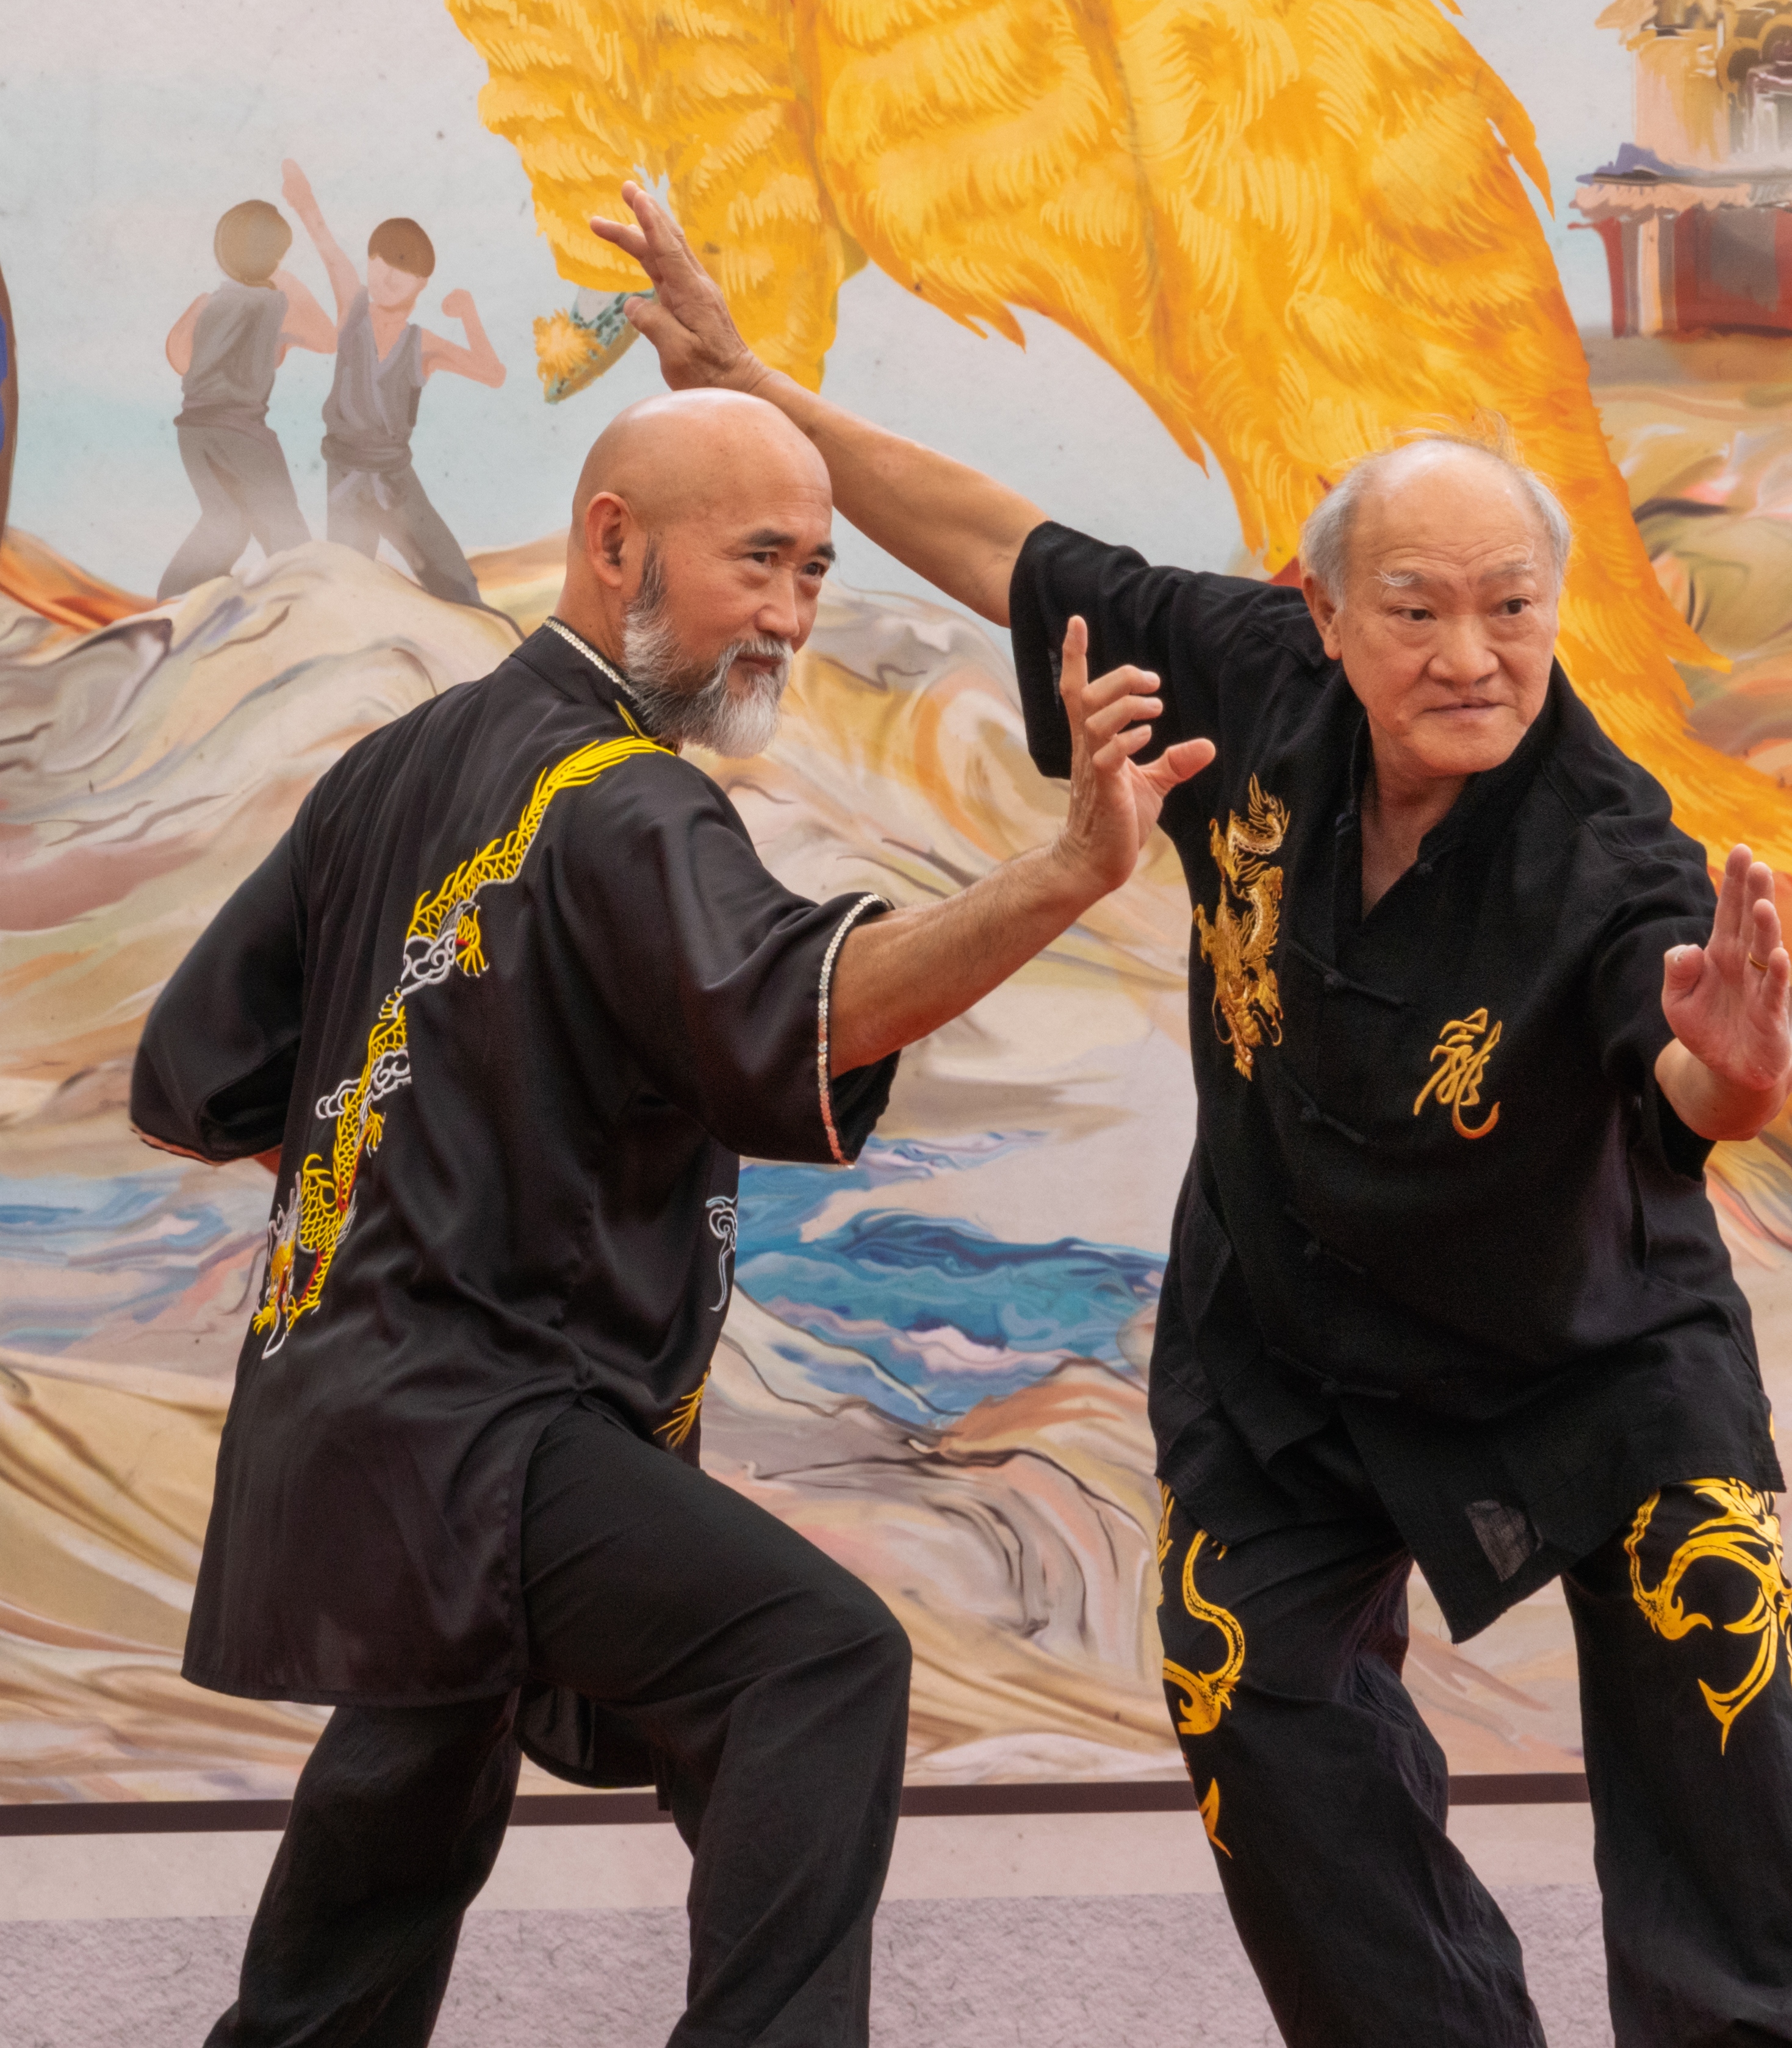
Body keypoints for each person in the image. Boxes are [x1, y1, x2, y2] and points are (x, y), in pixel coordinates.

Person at [594, 184, 1792, 2047]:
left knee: (1718, 1681)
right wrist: (769, 399)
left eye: (1512, 610)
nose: (1469, 656)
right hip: (1289, 1347)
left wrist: (1743, 1064)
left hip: (1585, 1355)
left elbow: (1688, 1073)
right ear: (1323, 611)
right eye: (1419, 609)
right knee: (1252, 1706)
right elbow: (996, 541)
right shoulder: (1252, 679)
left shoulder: (1607, 848)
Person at [130, 386, 1211, 2047]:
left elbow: (197, 1073)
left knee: (399, 1810)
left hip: (354, 1411)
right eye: (758, 560)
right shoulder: (627, 799)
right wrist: (1063, 872)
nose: (790, 613)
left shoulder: (394, 768)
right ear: (613, 537)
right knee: (815, 1659)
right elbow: (818, 999)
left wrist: (403, 1193)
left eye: (817, 571)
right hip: (487, 1416)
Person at [279, 159, 506, 608]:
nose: (385, 274)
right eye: (378, 260)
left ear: (421, 282)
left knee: (458, 586)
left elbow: (491, 373)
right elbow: (328, 249)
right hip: (345, 477)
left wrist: (469, 314)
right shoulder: (352, 312)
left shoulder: (421, 345)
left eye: (400, 268)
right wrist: (304, 204)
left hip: (396, 482)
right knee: (345, 593)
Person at [157, 199, 336, 601]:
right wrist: (288, 286)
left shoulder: (209, 303)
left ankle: (172, 599)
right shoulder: (276, 303)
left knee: (226, 523)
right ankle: (310, 610)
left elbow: (179, 358)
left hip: (195, 432)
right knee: (287, 538)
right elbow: (329, 339)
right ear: (275, 257)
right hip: (241, 434)